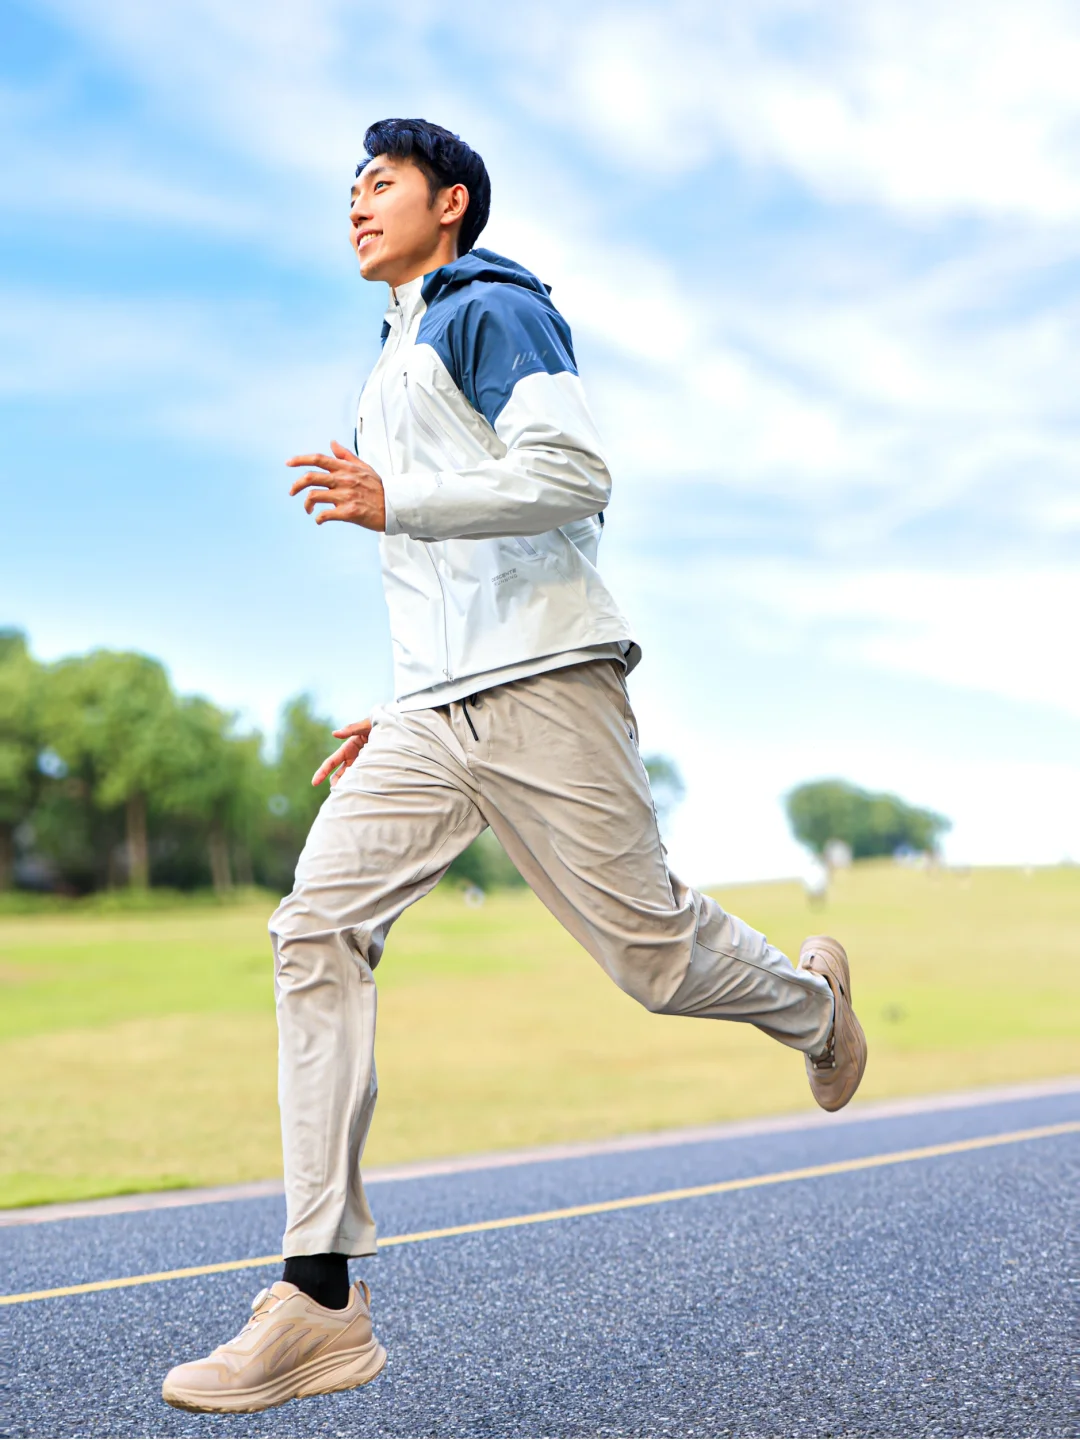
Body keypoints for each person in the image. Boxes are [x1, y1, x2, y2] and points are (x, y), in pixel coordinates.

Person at [162, 118, 867, 1415]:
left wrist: (394, 501)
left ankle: (816, 1008)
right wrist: (400, 702)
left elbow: (571, 472)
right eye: (350, 187)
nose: (358, 203)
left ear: (454, 200)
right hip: (435, 711)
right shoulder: (394, 350)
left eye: (383, 182)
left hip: (549, 685)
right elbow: (443, 575)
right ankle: (320, 1299)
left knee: (652, 957)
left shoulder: (493, 311)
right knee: (314, 930)